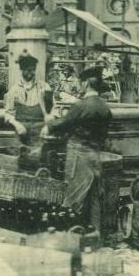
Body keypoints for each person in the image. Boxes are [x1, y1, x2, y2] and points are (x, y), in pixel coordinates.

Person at [42, 66, 113, 235]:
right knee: (95, 197)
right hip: (95, 155)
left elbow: (63, 124)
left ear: (86, 83)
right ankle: (96, 234)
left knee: (74, 195)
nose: (78, 86)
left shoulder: (80, 106)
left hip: (78, 154)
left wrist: (49, 121)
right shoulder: (105, 108)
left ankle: (71, 235)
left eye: (80, 83)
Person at [3, 53, 54, 150]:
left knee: (39, 157)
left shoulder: (45, 87)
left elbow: (52, 111)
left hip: (40, 131)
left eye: (33, 70)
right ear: (22, 70)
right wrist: (16, 124)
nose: (32, 72)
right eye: (28, 70)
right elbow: (8, 113)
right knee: (19, 157)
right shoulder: (13, 90)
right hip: (21, 131)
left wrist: (48, 126)